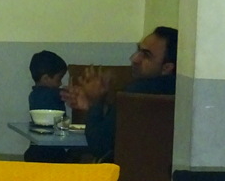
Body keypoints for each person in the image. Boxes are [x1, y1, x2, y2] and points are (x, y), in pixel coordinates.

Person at [63, 26, 178, 160]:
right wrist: (92, 105)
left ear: (167, 67)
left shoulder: (137, 94)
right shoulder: (179, 90)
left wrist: (96, 102)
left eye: (146, 55)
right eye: (138, 50)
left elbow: (98, 144)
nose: (134, 58)